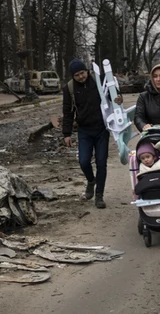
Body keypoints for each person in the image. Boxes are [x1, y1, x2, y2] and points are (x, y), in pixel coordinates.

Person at [62, 59, 123, 209]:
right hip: (84, 130)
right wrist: (67, 133)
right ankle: (91, 180)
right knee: (83, 161)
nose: (81, 77)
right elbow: (67, 111)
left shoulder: (99, 80)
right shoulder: (69, 88)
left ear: (87, 71)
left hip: (101, 128)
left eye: (82, 73)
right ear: (73, 76)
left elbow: (112, 93)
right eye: (77, 75)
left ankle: (99, 196)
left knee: (101, 162)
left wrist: (118, 99)